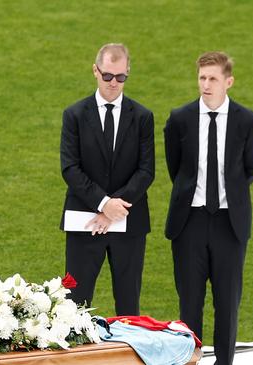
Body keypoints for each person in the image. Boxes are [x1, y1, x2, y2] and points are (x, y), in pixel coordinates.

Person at [164, 51, 253, 365]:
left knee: (227, 303)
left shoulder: (247, 121)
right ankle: (190, 360)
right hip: (188, 223)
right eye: (202, 78)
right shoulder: (179, 118)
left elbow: (250, 169)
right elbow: (175, 167)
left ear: (228, 82)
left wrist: (226, 196)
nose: (205, 85)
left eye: (213, 79)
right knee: (189, 303)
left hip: (229, 224)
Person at [60, 43, 155, 315]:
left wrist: (115, 208)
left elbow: (146, 170)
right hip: (84, 222)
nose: (114, 83)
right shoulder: (74, 115)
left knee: (128, 306)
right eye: (108, 76)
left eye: (121, 77)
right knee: (74, 306)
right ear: (95, 71)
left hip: (129, 225)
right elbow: (70, 168)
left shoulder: (143, 117)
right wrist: (104, 204)